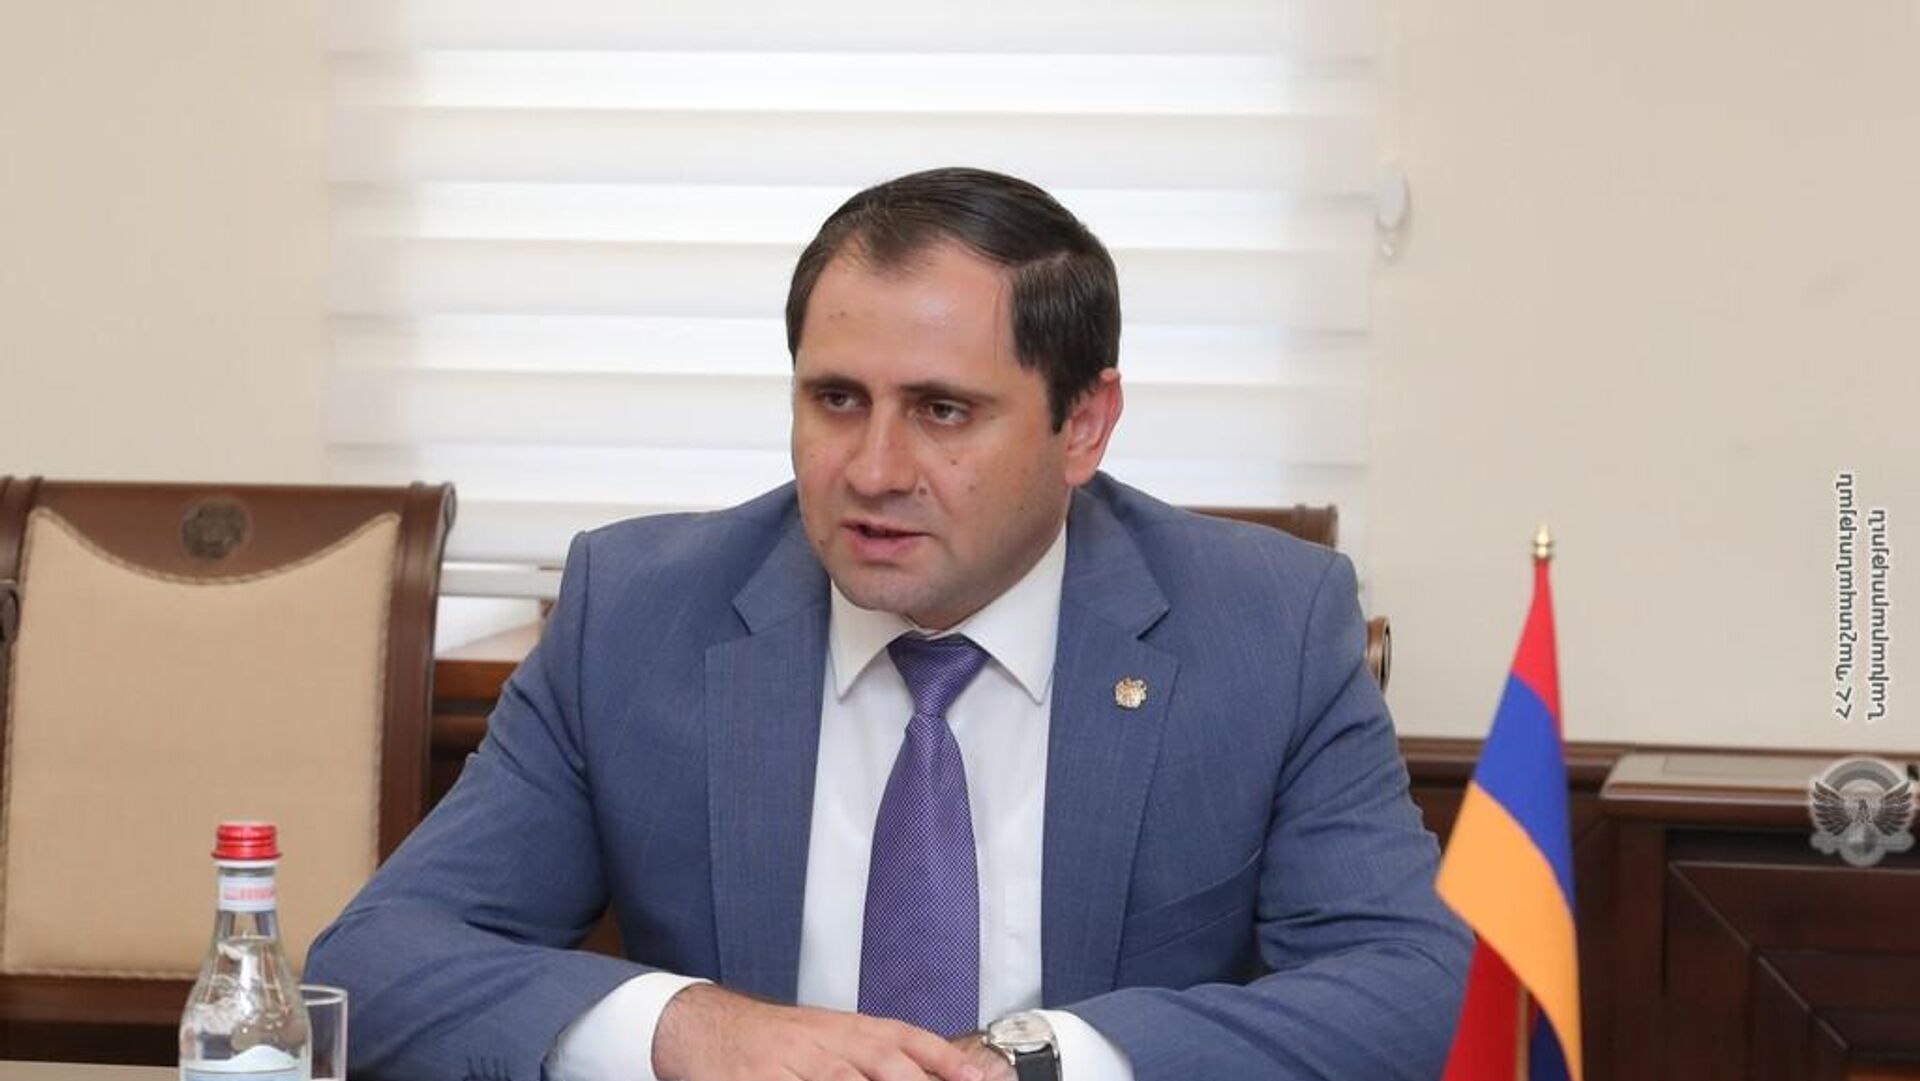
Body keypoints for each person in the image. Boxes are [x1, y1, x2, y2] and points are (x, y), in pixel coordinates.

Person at [307, 167, 1470, 1081]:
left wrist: (1053, 1062)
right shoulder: (640, 613)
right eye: (837, 399)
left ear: (1083, 425)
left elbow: (1415, 988)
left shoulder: (1264, 628)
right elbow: (375, 963)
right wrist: (692, 1029)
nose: (872, 469)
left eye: (943, 410)